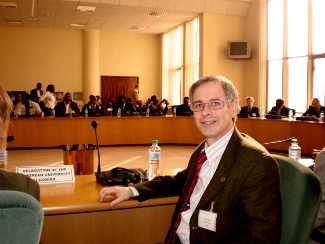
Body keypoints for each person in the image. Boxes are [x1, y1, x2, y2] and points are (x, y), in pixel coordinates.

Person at [99, 75, 281, 243]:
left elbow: (261, 239)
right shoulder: (204, 149)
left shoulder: (257, 163)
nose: (205, 112)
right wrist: (133, 191)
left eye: (215, 103)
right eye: (198, 105)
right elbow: (181, 181)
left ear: (234, 107)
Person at [0, 84, 40, 201]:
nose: (23, 100)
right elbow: (17, 112)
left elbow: (40, 112)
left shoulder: (35, 104)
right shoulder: (25, 188)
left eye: (24, 98)